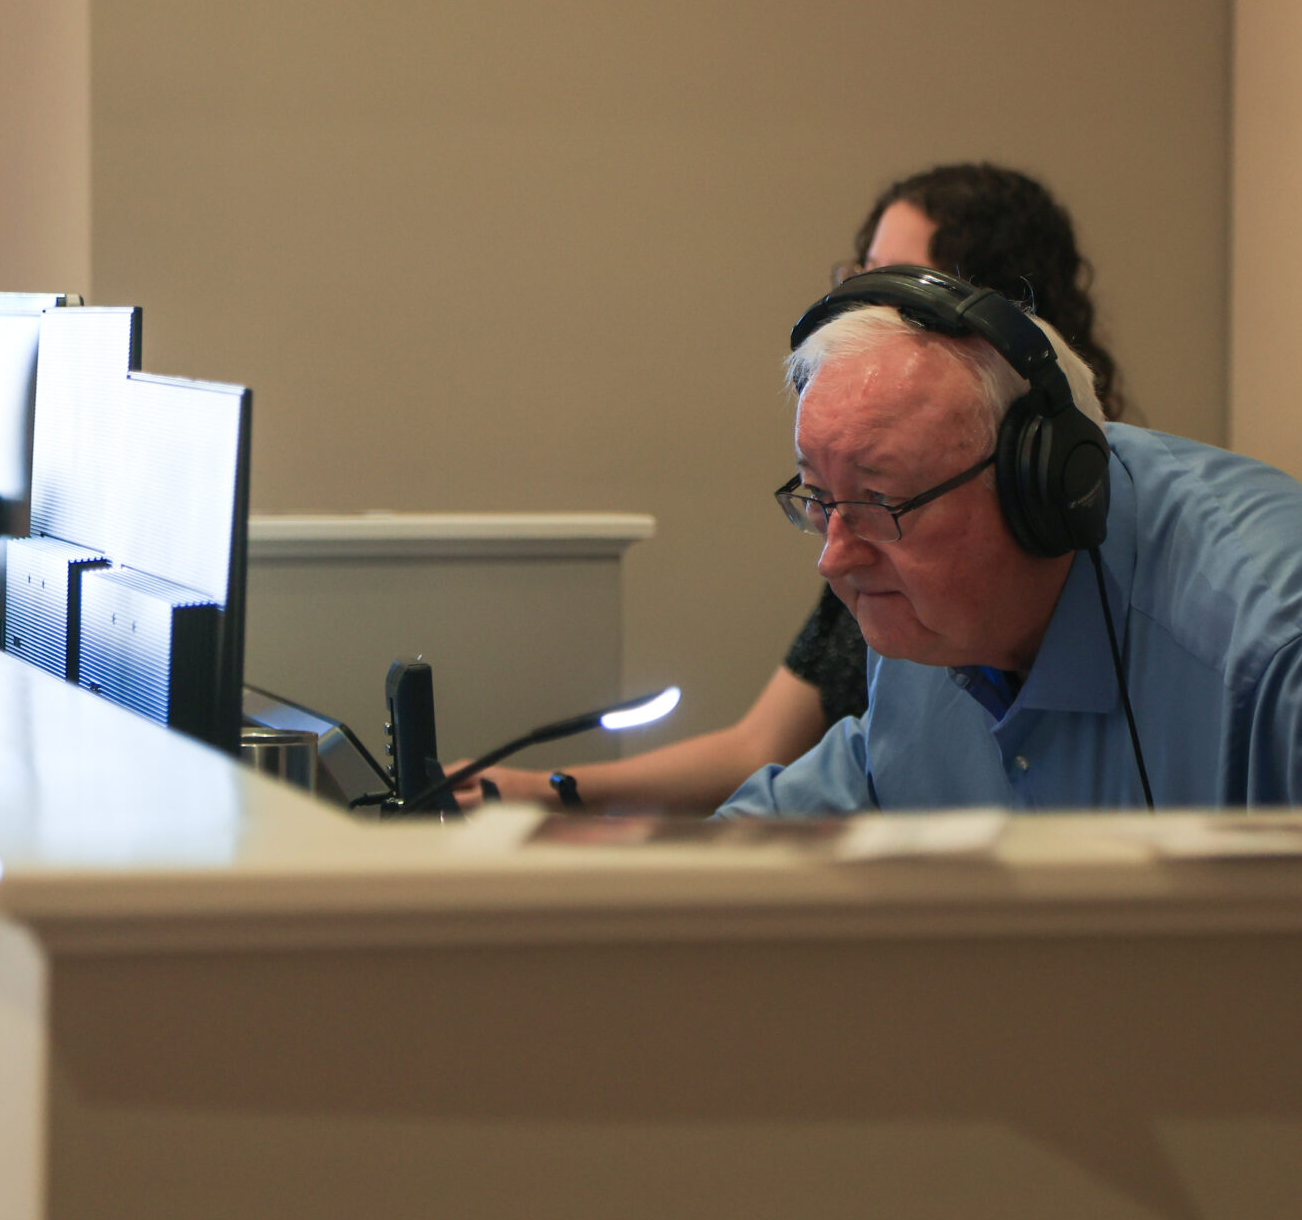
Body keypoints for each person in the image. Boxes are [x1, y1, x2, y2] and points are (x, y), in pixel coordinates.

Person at [718, 268, 1302, 814]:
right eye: (820, 499)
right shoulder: (927, 615)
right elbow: (852, 792)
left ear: (1040, 486)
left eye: (881, 500)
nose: (836, 555)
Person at [459, 163, 1127, 810]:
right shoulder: (873, 546)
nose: (835, 553)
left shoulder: (1102, 560)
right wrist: (541, 790)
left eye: (894, 280)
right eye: (859, 276)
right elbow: (767, 754)